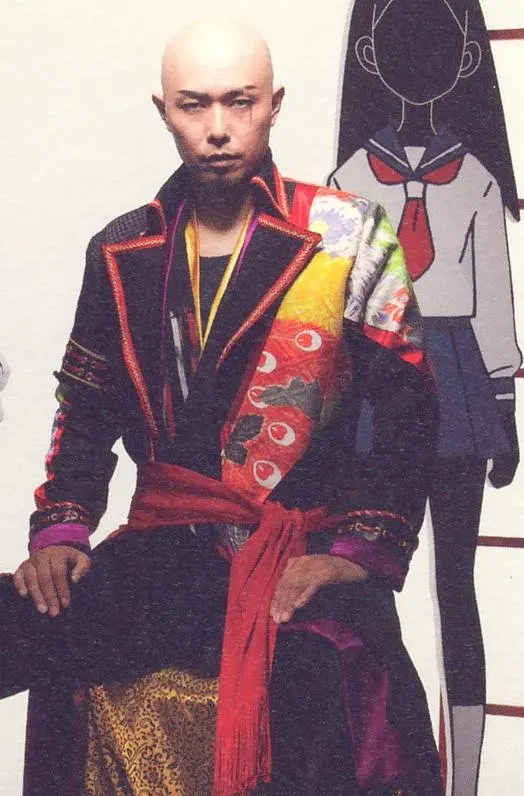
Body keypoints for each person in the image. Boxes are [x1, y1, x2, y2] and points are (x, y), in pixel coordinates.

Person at [0, 17, 443, 796]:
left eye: (239, 102)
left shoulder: (348, 235)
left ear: (275, 103)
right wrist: (62, 529)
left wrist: (354, 553)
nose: (217, 129)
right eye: (193, 105)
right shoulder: (119, 248)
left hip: (292, 549)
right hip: (162, 552)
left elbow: (409, 416)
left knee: (314, 676)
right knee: (14, 624)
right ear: (163, 110)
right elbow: (86, 407)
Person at [329, 2, 521, 794]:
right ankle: (388, 769)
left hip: (458, 386)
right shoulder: (347, 182)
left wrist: (504, 403)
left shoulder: (474, 179)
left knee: (456, 589)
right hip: (376, 382)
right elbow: (332, 304)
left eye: (437, 43)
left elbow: (494, 302)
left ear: (467, 60)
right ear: (370, 57)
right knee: (367, 584)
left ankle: (464, 780)